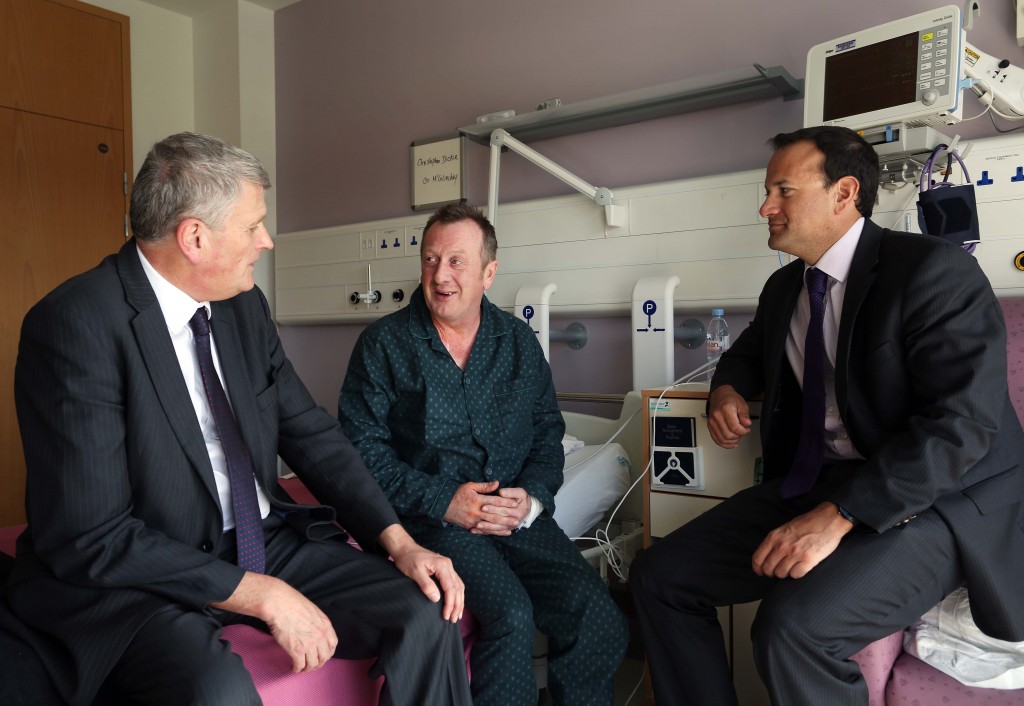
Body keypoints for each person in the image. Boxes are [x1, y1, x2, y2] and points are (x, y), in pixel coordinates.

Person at [6, 132, 473, 706]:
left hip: (258, 540)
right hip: (147, 568)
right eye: (253, 226)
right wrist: (260, 595)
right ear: (195, 238)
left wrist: (398, 541)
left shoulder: (241, 305)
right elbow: (90, 535)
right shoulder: (76, 326)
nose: (267, 241)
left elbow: (310, 431)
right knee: (217, 690)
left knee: (426, 611)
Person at [630, 125, 1024, 705]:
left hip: (936, 497)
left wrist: (841, 514)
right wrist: (728, 390)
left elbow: (960, 423)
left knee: (794, 630)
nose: (766, 207)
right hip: (823, 482)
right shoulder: (786, 287)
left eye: (783, 191)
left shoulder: (930, 272)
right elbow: (745, 355)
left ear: (843, 194)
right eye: (768, 192)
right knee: (660, 576)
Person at [338, 202, 628, 705]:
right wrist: (444, 499)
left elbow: (546, 432)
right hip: (435, 519)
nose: (440, 275)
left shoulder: (516, 342)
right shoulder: (384, 345)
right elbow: (360, 452)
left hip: (518, 517)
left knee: (597, 616)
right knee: (511, 617)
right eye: (430, 260)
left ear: (489, 273)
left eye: (456, 261)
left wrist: (532, 500)